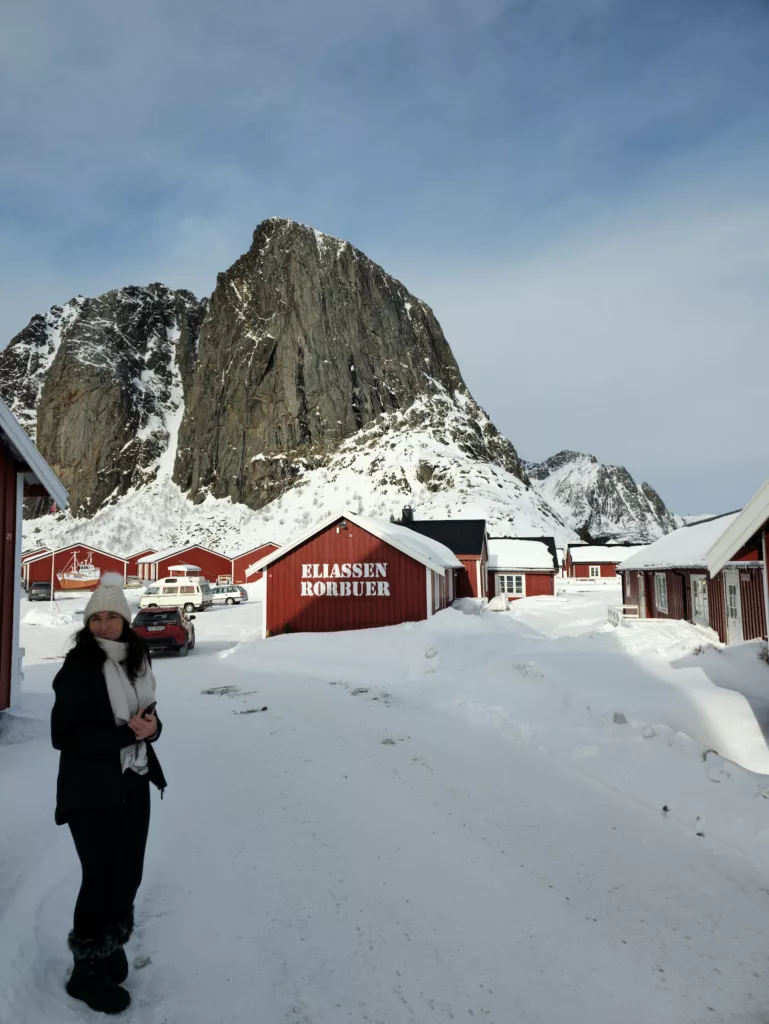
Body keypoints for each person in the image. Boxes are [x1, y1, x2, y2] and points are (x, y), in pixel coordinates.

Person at [51, 572, 167, 1014]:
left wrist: (152, 730)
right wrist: (124, 737)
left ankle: (110, 942)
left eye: (111, 617)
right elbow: (64, 735)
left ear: (125, 620)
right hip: (90, 791)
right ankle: (85, 971)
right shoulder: (78, 667)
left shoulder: (137, 661)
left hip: (132, 782)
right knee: (99, 878)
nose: (103, 625)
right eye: (95, 617)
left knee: (127, 874)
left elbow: (149, 717)